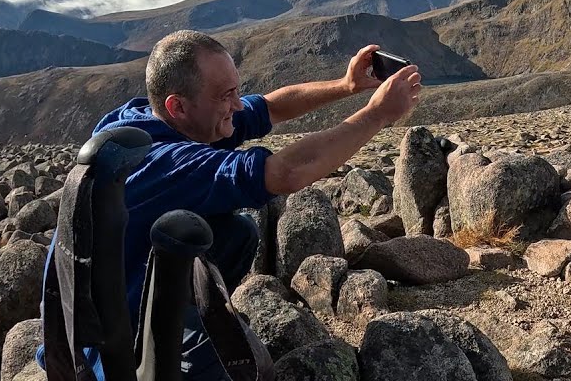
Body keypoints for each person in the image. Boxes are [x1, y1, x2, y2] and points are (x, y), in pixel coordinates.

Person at [39, 29, 422, 379]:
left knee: (236, 231)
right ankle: (164, 355)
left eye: (236, 91)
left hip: (100, 307)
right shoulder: (167, 163)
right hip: (102, 354)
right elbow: (285, 173)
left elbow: (270, 107)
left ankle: (187, 322)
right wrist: (378, 114)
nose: (237, 106)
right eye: (226, 96)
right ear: (179, 107)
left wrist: (345, 85)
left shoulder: (141, 119)